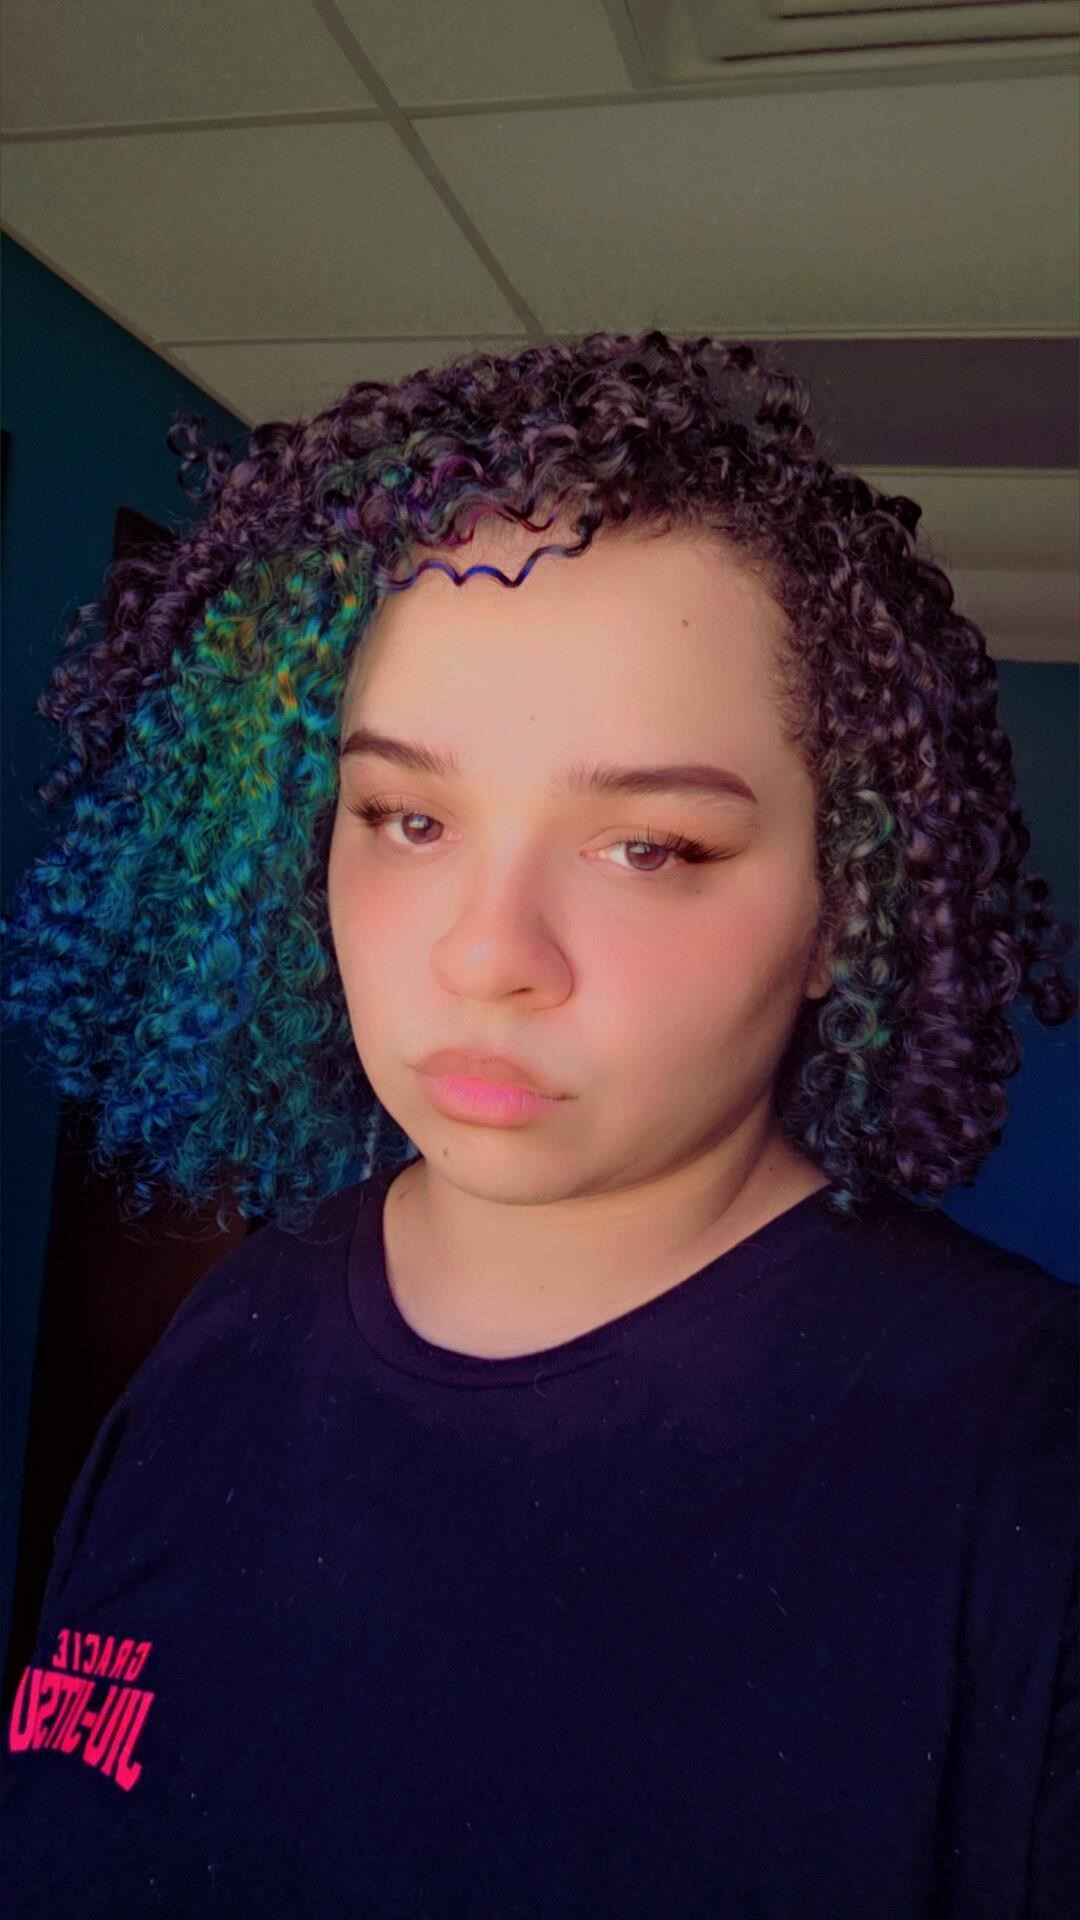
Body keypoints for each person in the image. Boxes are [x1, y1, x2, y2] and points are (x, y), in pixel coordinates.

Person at [0, 331, 1076, 1916]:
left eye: (649, 846)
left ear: (842, 912)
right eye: (408, 818)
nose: (487, 954)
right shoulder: (229, 1330)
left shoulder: (1028, 1462)